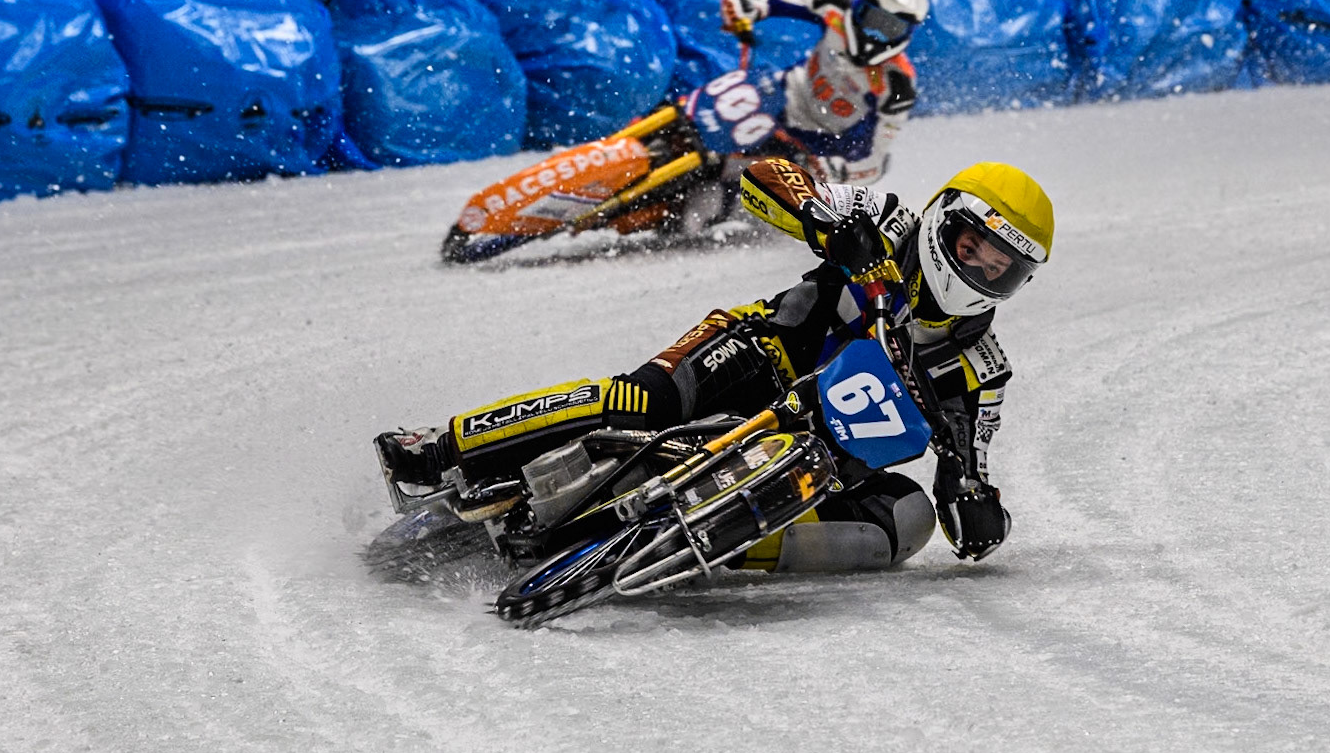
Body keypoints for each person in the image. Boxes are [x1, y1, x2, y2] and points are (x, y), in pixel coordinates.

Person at [378, 154, 1054, 572]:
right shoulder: (886, 218)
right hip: (756, 354)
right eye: (975, 249)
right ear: (945, 223)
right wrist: (822, 222)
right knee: (644, 402)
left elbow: (969, 476)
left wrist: (976, 506)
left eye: (1002, 268)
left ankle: (700, 548)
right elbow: (768, 174)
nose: (982, 271)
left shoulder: (982, 368)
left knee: (905, 524)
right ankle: (443, 445)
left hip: (816, 458)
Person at [696, 0, 927, 187]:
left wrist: (843, 167)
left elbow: (875, 158)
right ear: (858, 6)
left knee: (772, 192)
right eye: (871, 19)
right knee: (710, 108)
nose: (875, 35)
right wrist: (752, 5)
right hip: (783, 95)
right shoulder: (835, 7)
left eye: (890, 28)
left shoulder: (898, 85)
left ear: (907, 33)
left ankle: (724, 212)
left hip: (820, 147)